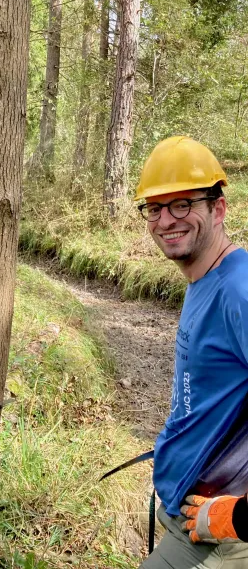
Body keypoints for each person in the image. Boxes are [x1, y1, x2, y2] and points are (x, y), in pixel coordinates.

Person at [134, 136, 248, 568]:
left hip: (217, 538)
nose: (166, 220)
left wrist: (238, 517)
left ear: (218, 209)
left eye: (183, 204)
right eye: (155, 208)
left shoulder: (239, 290)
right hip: (186, 513)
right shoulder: (204, 279)